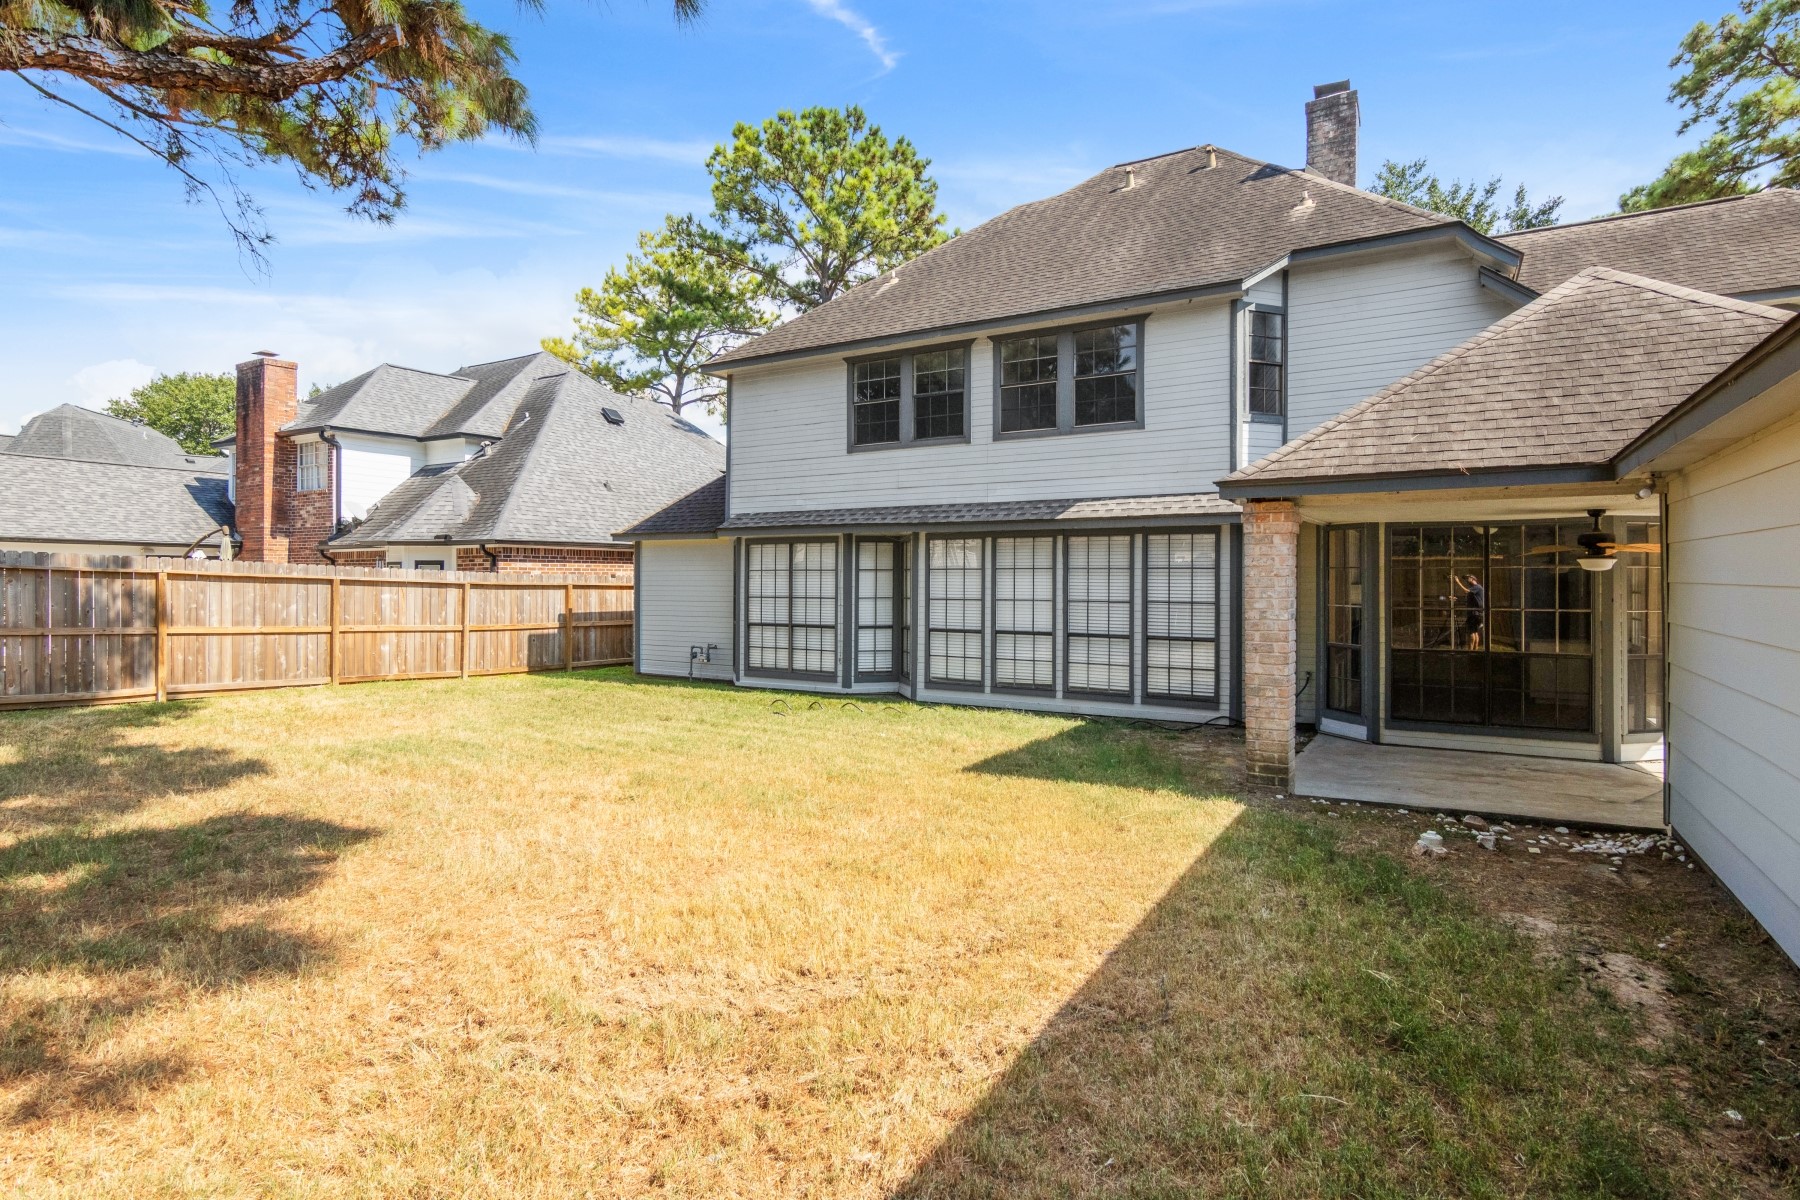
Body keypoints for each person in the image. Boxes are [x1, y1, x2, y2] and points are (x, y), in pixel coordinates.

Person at [1451, 572, 1486, 650]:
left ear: (1473, 579)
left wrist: (1458, 582)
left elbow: (1466, 591)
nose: (1466, 580)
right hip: (1476, 614)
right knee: (1475, 632)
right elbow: (1469, 601)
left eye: (1468, 578)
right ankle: (1474, 651)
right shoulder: (1474, 590)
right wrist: (1456, 599)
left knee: (1471, 632)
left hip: (1474, 614)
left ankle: (1470, 651)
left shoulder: (1477, 587)